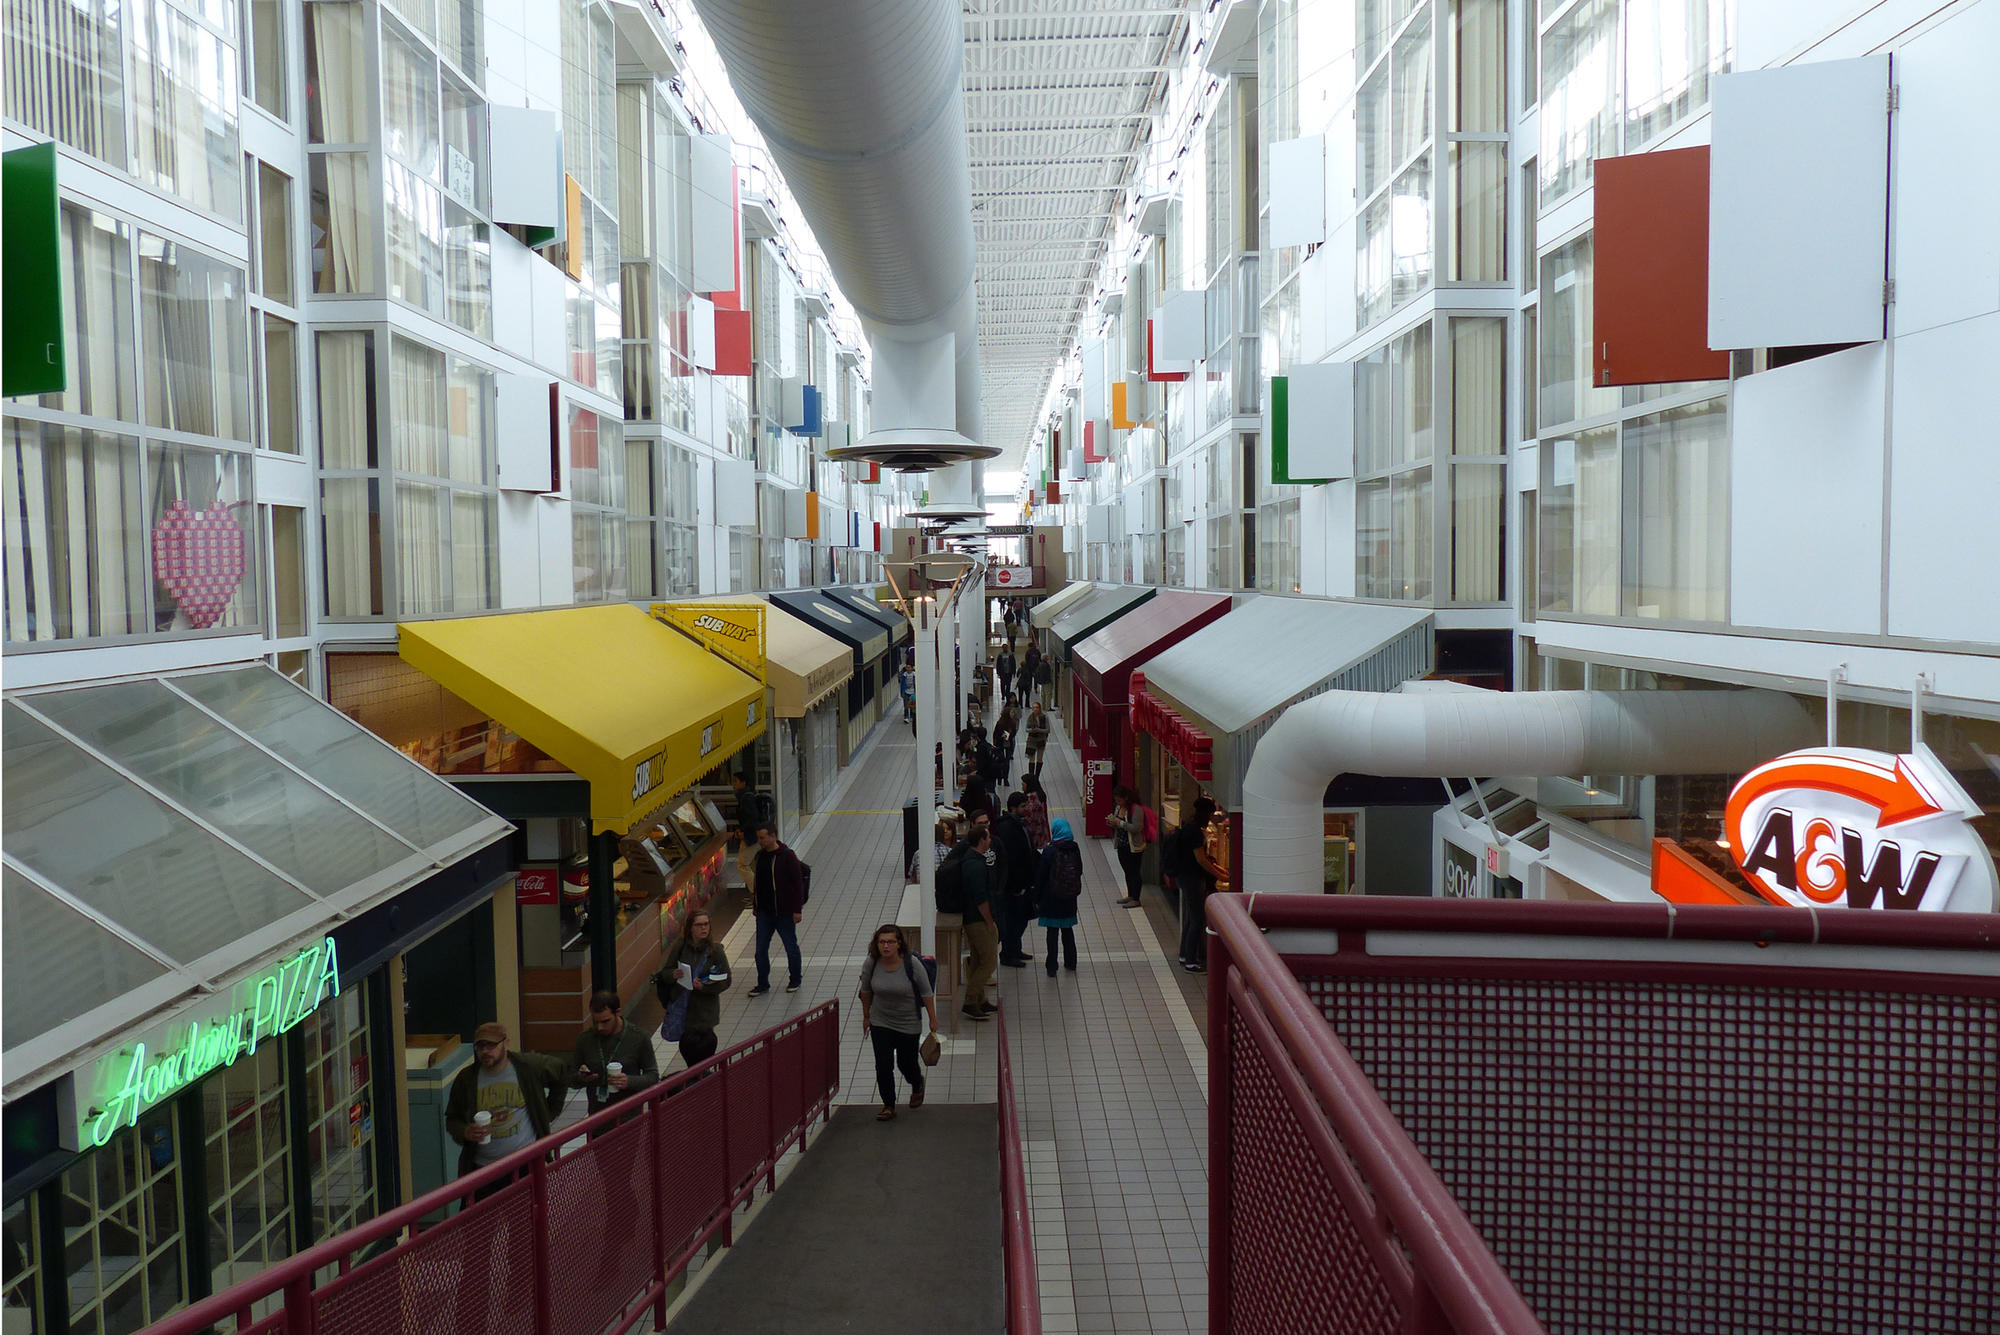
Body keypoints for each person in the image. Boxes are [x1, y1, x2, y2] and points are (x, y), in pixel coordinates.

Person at [446, 1022, 569, 1189]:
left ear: (506, 1044)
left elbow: (561, 1073)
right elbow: (452, 1119)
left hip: (525, 1164)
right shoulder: (466, 1079)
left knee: (527, 1214)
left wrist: (548, 1113)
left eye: (491, 1045)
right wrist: (466, 1131)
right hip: (482, 1169)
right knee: (483, 1214)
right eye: (480, 1046)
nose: (485, 1051)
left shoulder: (528, 1067)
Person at [857, 923, 939, 1121]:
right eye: (882, 942)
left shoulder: (911, 964)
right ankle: (888, 1105)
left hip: (908, 1022)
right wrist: (866, 1017)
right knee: (883, 1064)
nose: (886, 946)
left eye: (891, 942)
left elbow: (926, 992)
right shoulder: (872, 963)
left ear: (899, 943)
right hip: (880, 1021)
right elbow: (866, 991)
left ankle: (916, 1082)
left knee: (905, 1062)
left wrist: (933, 1019)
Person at [655, 910, 731, 1068]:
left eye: (706, 924)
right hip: (684, 1008)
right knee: (689, 1050)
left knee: (704, 1050)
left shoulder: (715, 951)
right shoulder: (681, 947)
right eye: (699, 925)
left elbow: (726, 980)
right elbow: (665, 972)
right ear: (690, 928)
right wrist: (673, 974)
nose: (704, 928)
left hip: (704, 1012)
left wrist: (704, 987)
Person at [566, 990, 659, 1115]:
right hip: (597, 1120)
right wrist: (582, 1078)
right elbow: (570, 1079)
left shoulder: (638, 1037)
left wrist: (629, 1081)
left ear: (618, 1013)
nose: (600, 1027)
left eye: (605, 1021)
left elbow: (653, 1076)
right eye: (596, 1022)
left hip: (630, 1119)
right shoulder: (585, 1039)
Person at [747, 823, 805, 996]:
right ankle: (762, 983)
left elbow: (797, 884)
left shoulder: (787, 856)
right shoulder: (760, 856)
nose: (760, 841)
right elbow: (758, 883)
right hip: (764, 912)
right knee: (760, 950)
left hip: (784, 913)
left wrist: (797, 909)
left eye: (763, 837)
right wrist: (756, 905)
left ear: (773, 836)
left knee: (790, 946)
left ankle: (795, 978)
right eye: (759, 838)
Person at [1169, 798, 1222, 973]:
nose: (1210, 819)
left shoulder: (1188, 827)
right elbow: (1200, 859)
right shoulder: (1195, 832)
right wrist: (1219, 874)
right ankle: (1191, 961)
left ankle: (1185, 954)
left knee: (1191, 918)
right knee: (1197, 919)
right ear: (1205, 814)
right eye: (1210, 815)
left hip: (1183, 877)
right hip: (1191, 878)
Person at [957, 824, 999, 1021]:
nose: (990, 840)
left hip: (970, 918)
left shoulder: (969, 860)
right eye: (988, 837)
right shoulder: (975, 865)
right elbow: (980, 898)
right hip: (978, 920)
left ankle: (981, 999)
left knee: (977, 960)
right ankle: (970, 1000)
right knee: (989, 961)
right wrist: (989, 921)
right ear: (981, 840)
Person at [994, 792, 1038, 966]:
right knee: (1013, 920)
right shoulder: (1007, 828)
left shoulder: (1018, 824)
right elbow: (1010, 860)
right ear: (1013, 807)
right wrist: (1015, 884)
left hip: (1022, 883)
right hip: (1013, 885)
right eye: (1022, 806)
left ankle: (1015, 949)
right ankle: (1008, 954)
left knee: (1021, 919)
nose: (1026, 809)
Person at [1037, 819, 1084, 977]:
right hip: (1069, 898)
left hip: (1051, 898)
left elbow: (1041, 876)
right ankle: (1071, 962)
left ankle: (1052, 966)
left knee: (1052, 933)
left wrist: (1037, 897)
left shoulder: (1050, 851)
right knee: (1067, 930)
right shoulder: (1074, 847)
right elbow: (1079, 870)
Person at [1110, 784, 1157, 909]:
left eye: (1119, 800)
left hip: (1134, 846)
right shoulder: (1118, 808)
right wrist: (1113, 823)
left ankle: (1136, 898)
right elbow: (1118, 823)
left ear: (1126, 798)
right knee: (1127, 870)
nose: (1117, 802)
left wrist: (1119, 823)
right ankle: (1130, 895)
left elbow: (1136, 828)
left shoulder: (1136, 810)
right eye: (1116, 800)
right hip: (1122, 844)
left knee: (1134, 871)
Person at [730, 771, 775, 895]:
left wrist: (744, 831)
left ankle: (758, 893)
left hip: (751, 838)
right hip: (755, 836)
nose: (733, 784)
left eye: (736, 781)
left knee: (742, 865)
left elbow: (751, 818)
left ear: (743, 783)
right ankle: (762, 891)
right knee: (753, 865)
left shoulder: (746, 798)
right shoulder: (749, 795)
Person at [1019, 772, 1052, 850]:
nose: (1022, 787)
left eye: (1023, 785)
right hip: (1041, 830)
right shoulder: (1040, 794)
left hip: (1033, 832)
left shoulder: (1031, 799)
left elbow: (1028, 818)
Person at [1023, 703, 1050, 781]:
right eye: (1034, 707)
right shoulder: (1030, 717)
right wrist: (1032, 730)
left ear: (1040, 708)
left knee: (1039, 758)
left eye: (1037, 707)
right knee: (1031, 758)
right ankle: (1031, 776)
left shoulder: (1044, 717)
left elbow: (1048, 729)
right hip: (1031, 739)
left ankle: (1037, 776)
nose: (1035, 709)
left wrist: (1039, 730)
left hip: (1041, 739)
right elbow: (1026, 729)